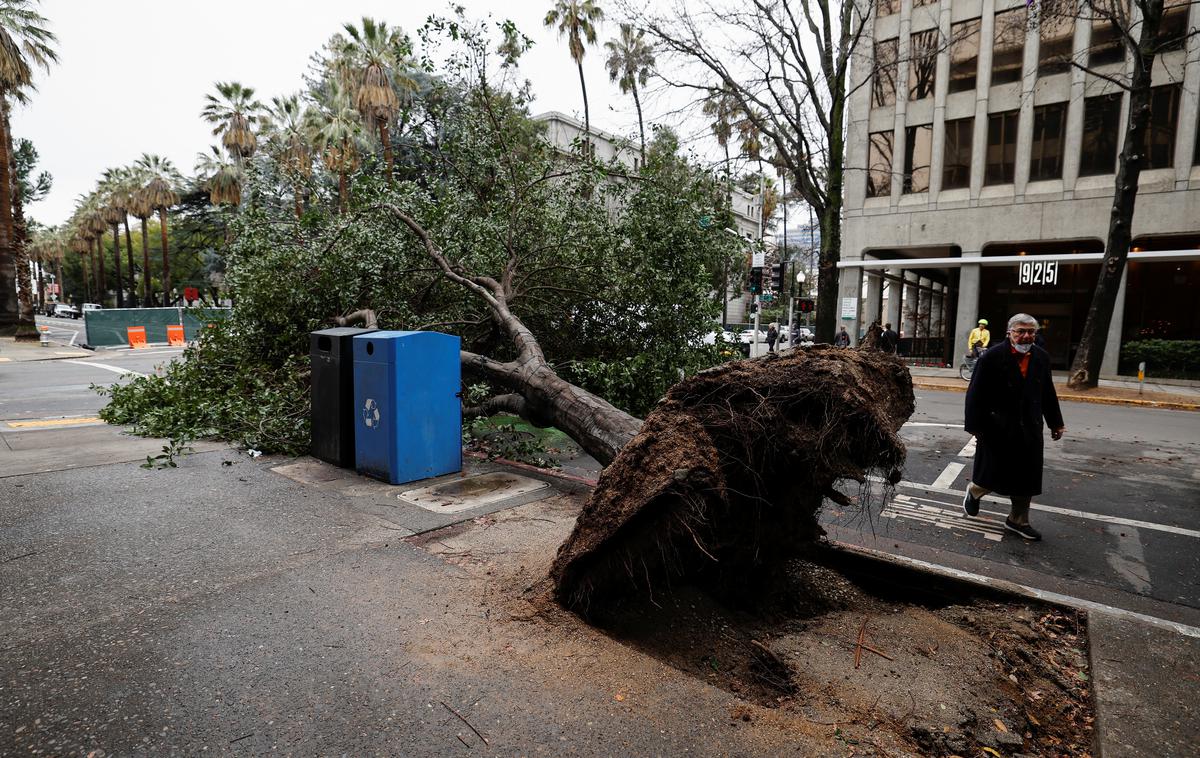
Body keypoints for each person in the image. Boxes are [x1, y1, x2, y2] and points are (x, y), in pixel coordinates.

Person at [962, 313, 1066, 541]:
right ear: (1010, 332)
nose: (1026, 336)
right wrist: (975, 427)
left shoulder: (1041, 357)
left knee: (1026, 477)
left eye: (1031, 332)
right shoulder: (990, 358)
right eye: (1020, 331)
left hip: (1029, 427)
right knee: (992, 472)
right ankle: (975, 491)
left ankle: (1018, 520)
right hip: (997, 427)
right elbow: (975, 395)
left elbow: (1047, 392)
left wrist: (1055, 422)